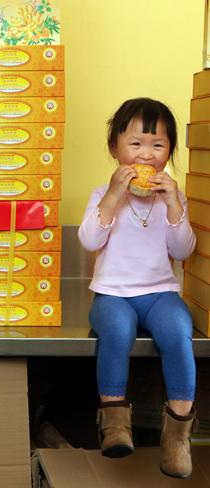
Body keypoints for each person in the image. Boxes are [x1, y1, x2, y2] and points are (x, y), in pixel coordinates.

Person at [78, 98, 197, 478]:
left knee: (179, 333)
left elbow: (183, 250)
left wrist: (175, 205)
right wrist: (114, 195)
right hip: (112, 295)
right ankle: (114, 424)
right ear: (115, 148)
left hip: (160, 293)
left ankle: (177, 435)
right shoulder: (102, 195)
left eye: (158, 145)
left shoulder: (171, 202)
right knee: (117, 332)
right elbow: (89, 240)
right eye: (136, 144)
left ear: (169, 153)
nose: (146, 155)